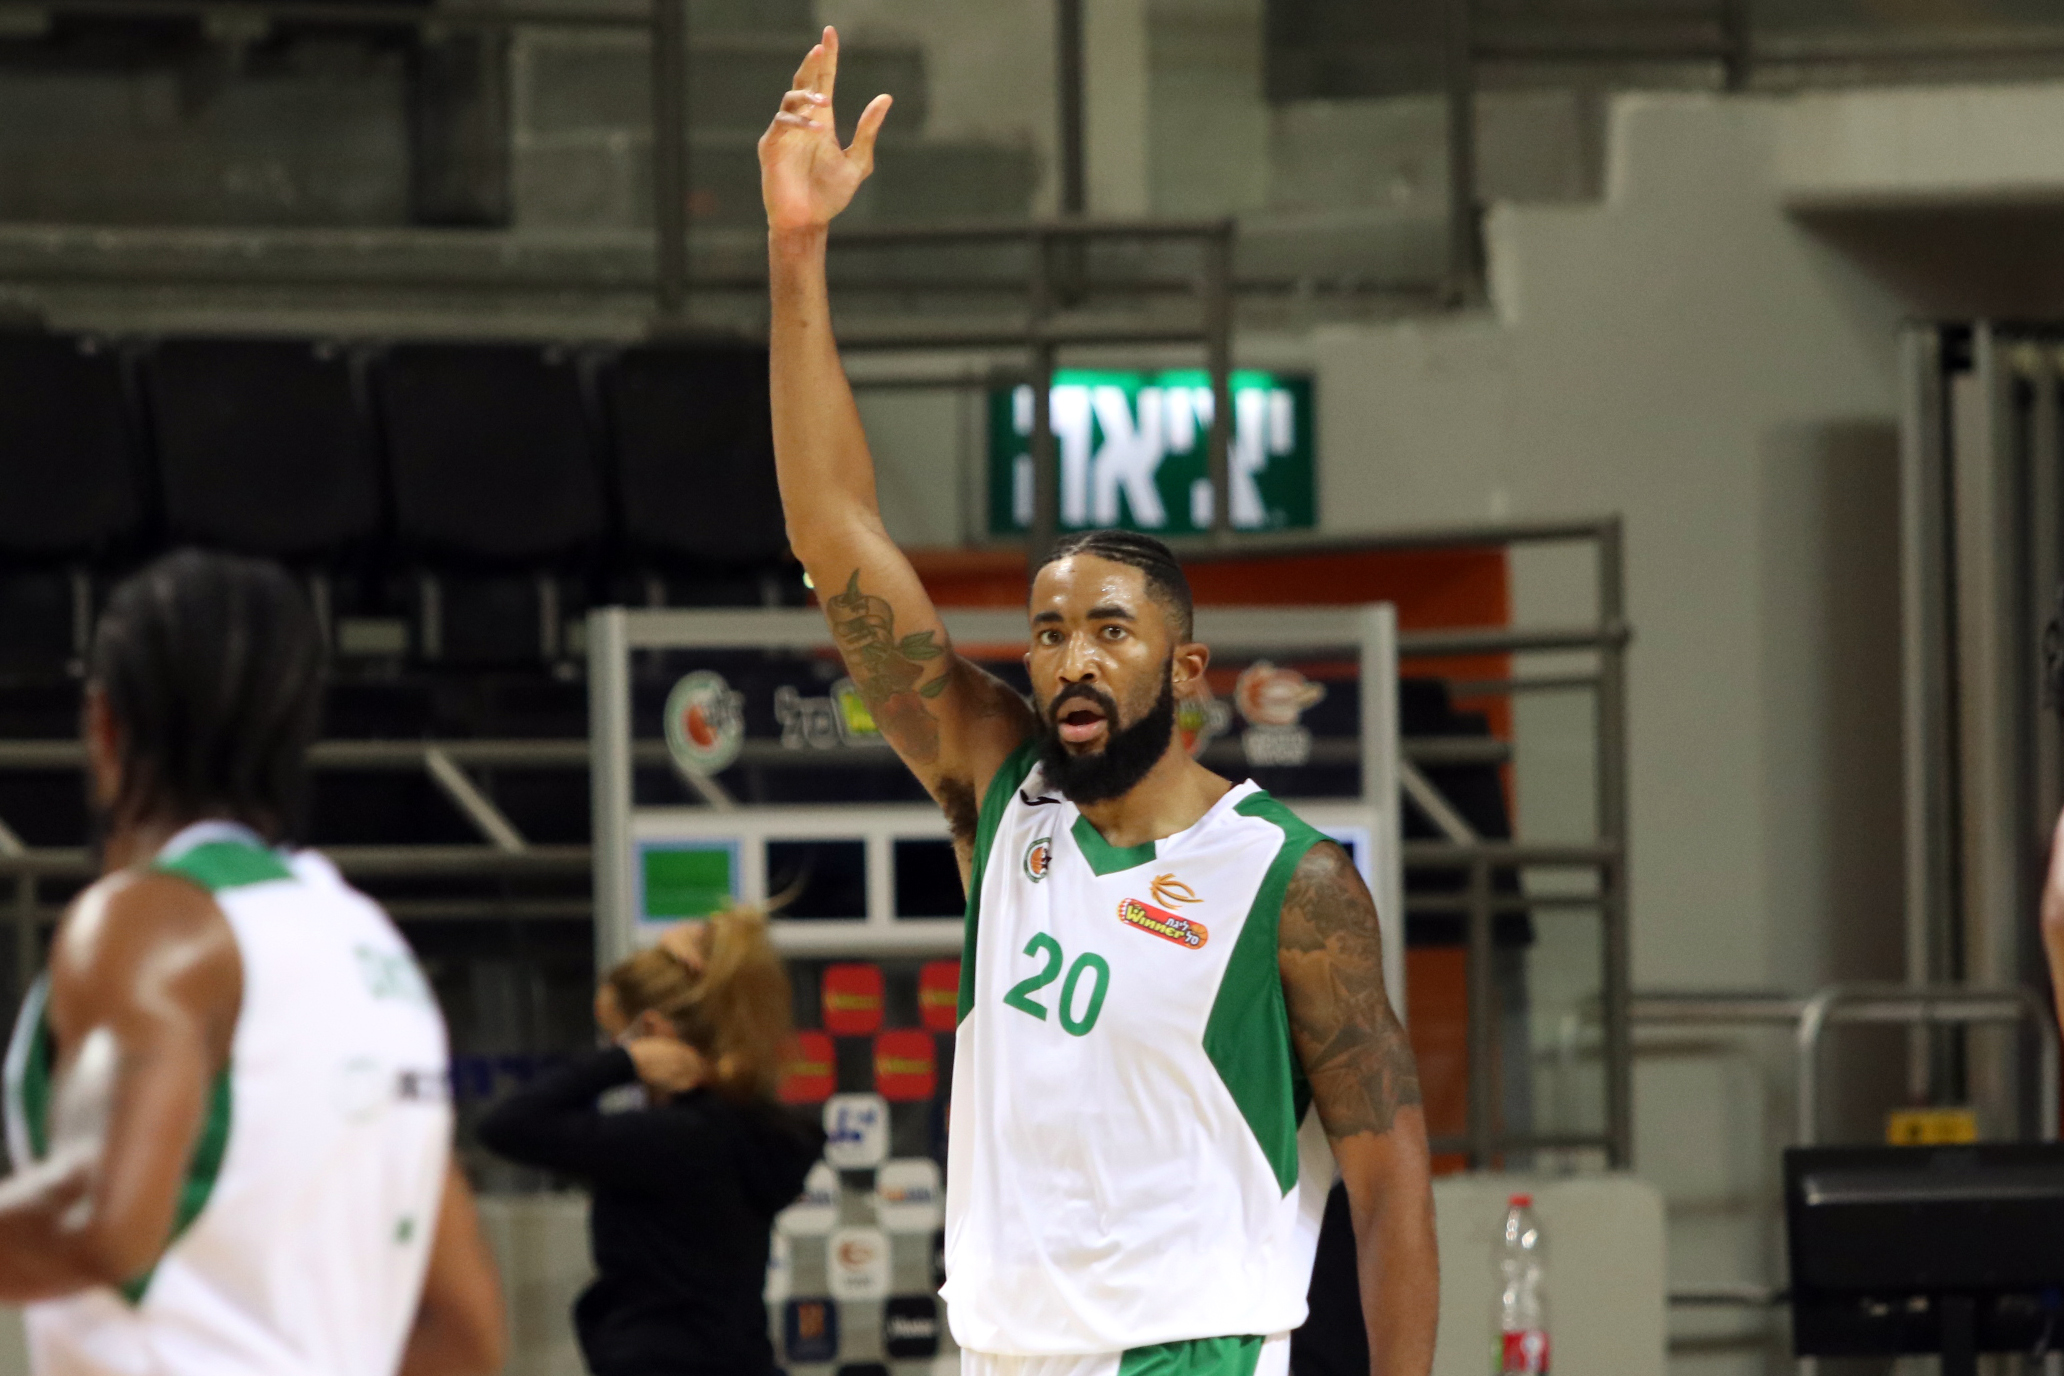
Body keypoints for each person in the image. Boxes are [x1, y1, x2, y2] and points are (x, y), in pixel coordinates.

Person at [759, 29, 1439, 1376]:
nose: (1070, 656)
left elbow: (1393, 1186)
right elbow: (835, 533)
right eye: (1049, 629)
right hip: (1003, 1355)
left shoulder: (1291, 882)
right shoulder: (1001, 795)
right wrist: (796, 248)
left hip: (1187, 1355)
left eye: (1110, 631)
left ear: (1185, 671)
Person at [0, 548, 505, 1376]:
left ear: (104, 726)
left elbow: (98, 1214)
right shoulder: (367, 946)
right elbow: (462, 1328)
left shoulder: (147, 926)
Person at [476, 906, 822, 1376]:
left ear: (654, 1033)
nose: (613, 1049)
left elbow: (507, 1126)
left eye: (616, 1037)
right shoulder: (750, 1130)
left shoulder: (671, 1141)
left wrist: (622, 1064)